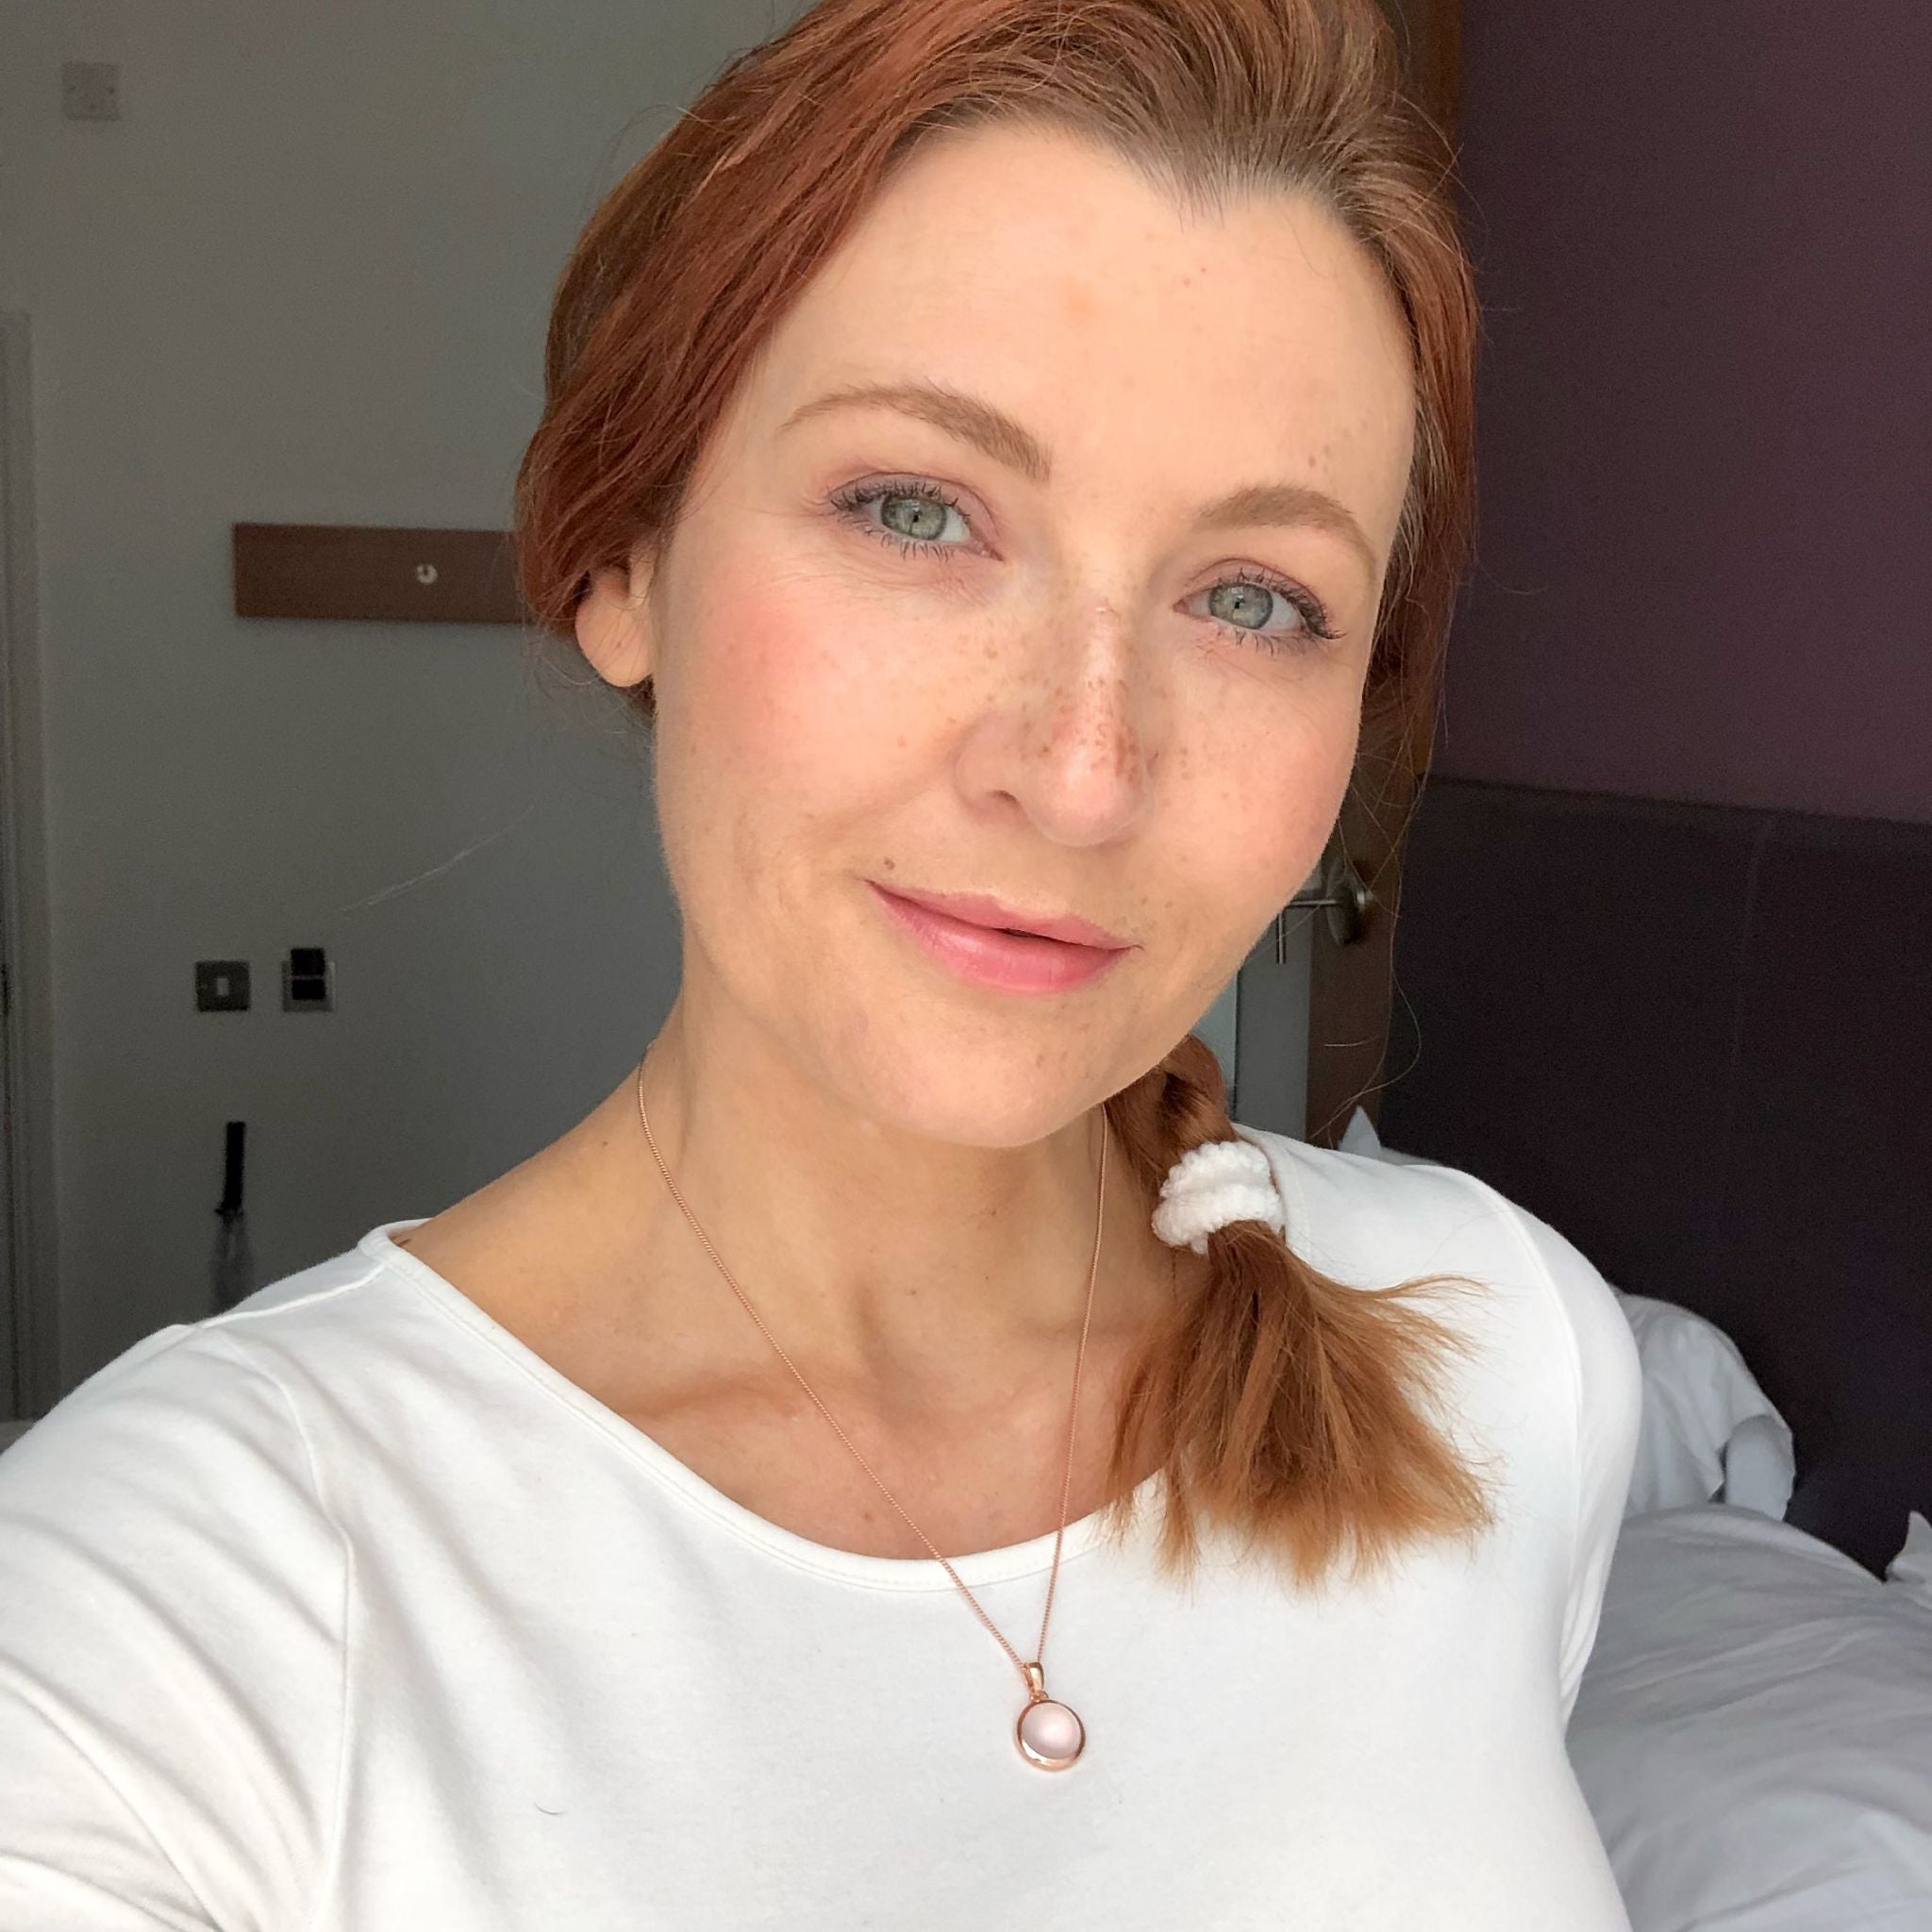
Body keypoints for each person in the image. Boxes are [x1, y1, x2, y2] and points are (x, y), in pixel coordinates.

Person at [0, 0, 1643, 1924]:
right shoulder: (163, 1626)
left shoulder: (1503, 1355)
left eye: (1256, 600)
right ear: (621, 558)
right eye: (918, 510)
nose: (1081, 771)